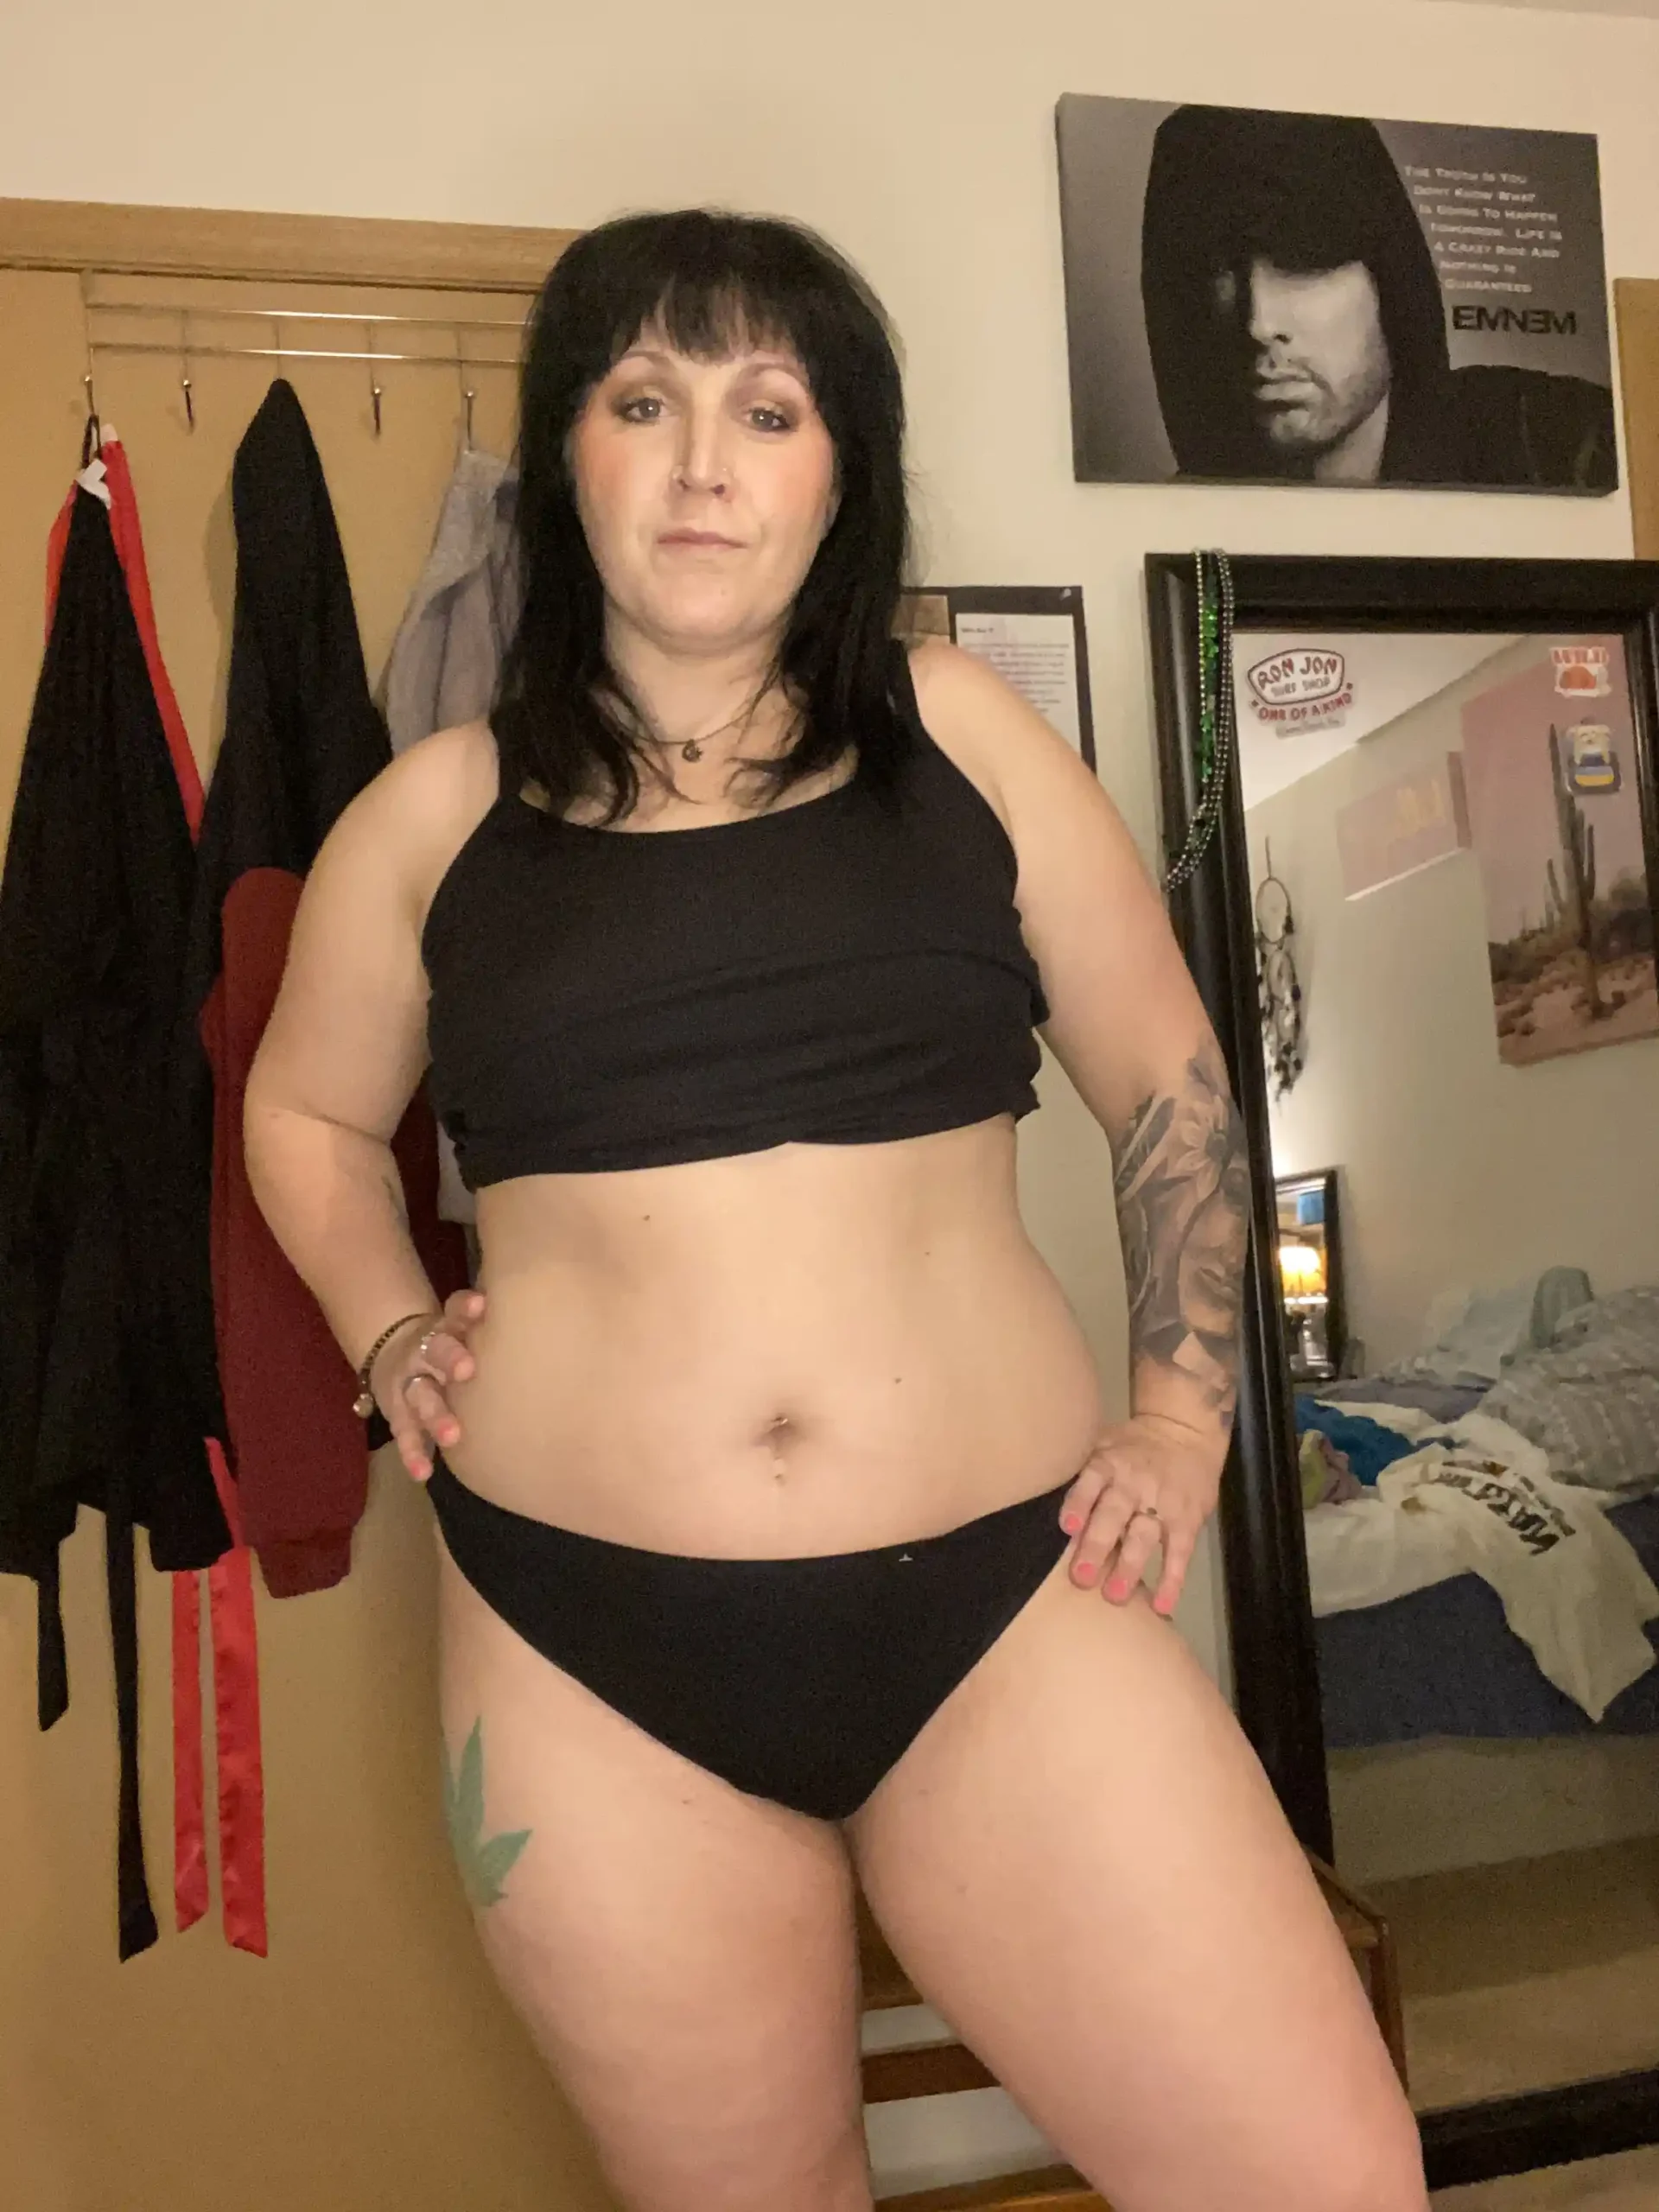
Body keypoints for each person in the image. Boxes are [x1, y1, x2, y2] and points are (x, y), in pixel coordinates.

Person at [245, 208, 1427, 2212]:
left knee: (1325, 2176)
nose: (705, 461)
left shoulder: (959, 731)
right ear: (567, 455)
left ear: (837, 474)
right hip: (580, 1657)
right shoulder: (432, 815)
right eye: (645, 401)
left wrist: (1178, 1411)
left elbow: (1169, 1078)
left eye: (769, 409)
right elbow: (301, 1112)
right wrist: (383, 1324)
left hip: (1011, 1612)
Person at [1140, 105, 1617, 492]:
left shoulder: (1563, 445)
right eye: (1218, 271)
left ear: (1388, 280)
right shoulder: (1179, 525)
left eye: (1302, 264)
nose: (1259, 323)